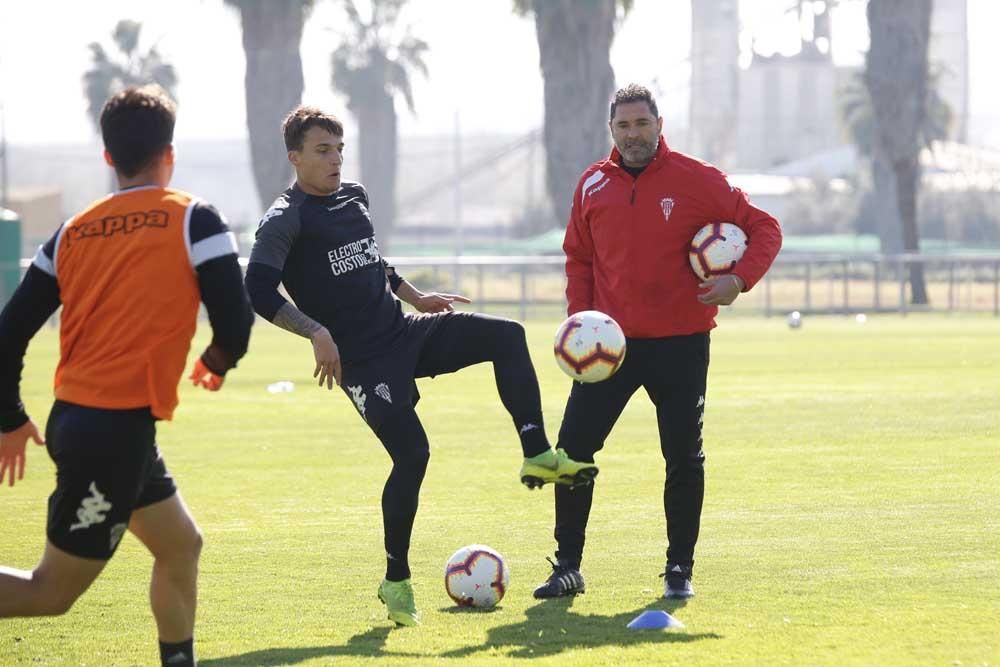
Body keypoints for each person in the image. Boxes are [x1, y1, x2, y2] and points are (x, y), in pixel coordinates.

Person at [243, 105, 597, 627]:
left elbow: (373, 261)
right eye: (322, 151)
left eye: (339, 149)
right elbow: (256, 287)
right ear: (295, 157)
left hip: (403, 333)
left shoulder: (355, 196)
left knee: (507, 336)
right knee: (413, 455)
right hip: (361, 362)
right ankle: (396, 580)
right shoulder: (284, 219)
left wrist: (415, 296)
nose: (335, 159)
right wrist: (316, 332)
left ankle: (537, 454)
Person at [0, 85, 253, 667]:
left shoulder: (70, 231)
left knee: (181, 545)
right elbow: (235, 321)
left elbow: (8, 333)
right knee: (51, 593)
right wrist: (216, 363)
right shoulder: (193, 217)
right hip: (110, 436)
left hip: (90, 424)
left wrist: (11, 417)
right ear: (171, 150)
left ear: (109, 158)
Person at [532, 83, 782, 601]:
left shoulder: (699, 180)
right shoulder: (591, 184)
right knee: (572, 451)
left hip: (681, 342)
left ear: (660, 124)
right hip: (609, 348)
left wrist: (737, 280)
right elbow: (579, 258)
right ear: (612, 131)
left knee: (683, 458)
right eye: (623, 126)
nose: (633, 134)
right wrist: (582, 320)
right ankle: (567, 568)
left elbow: (765, 229)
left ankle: (678, 569)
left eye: (642, 124)